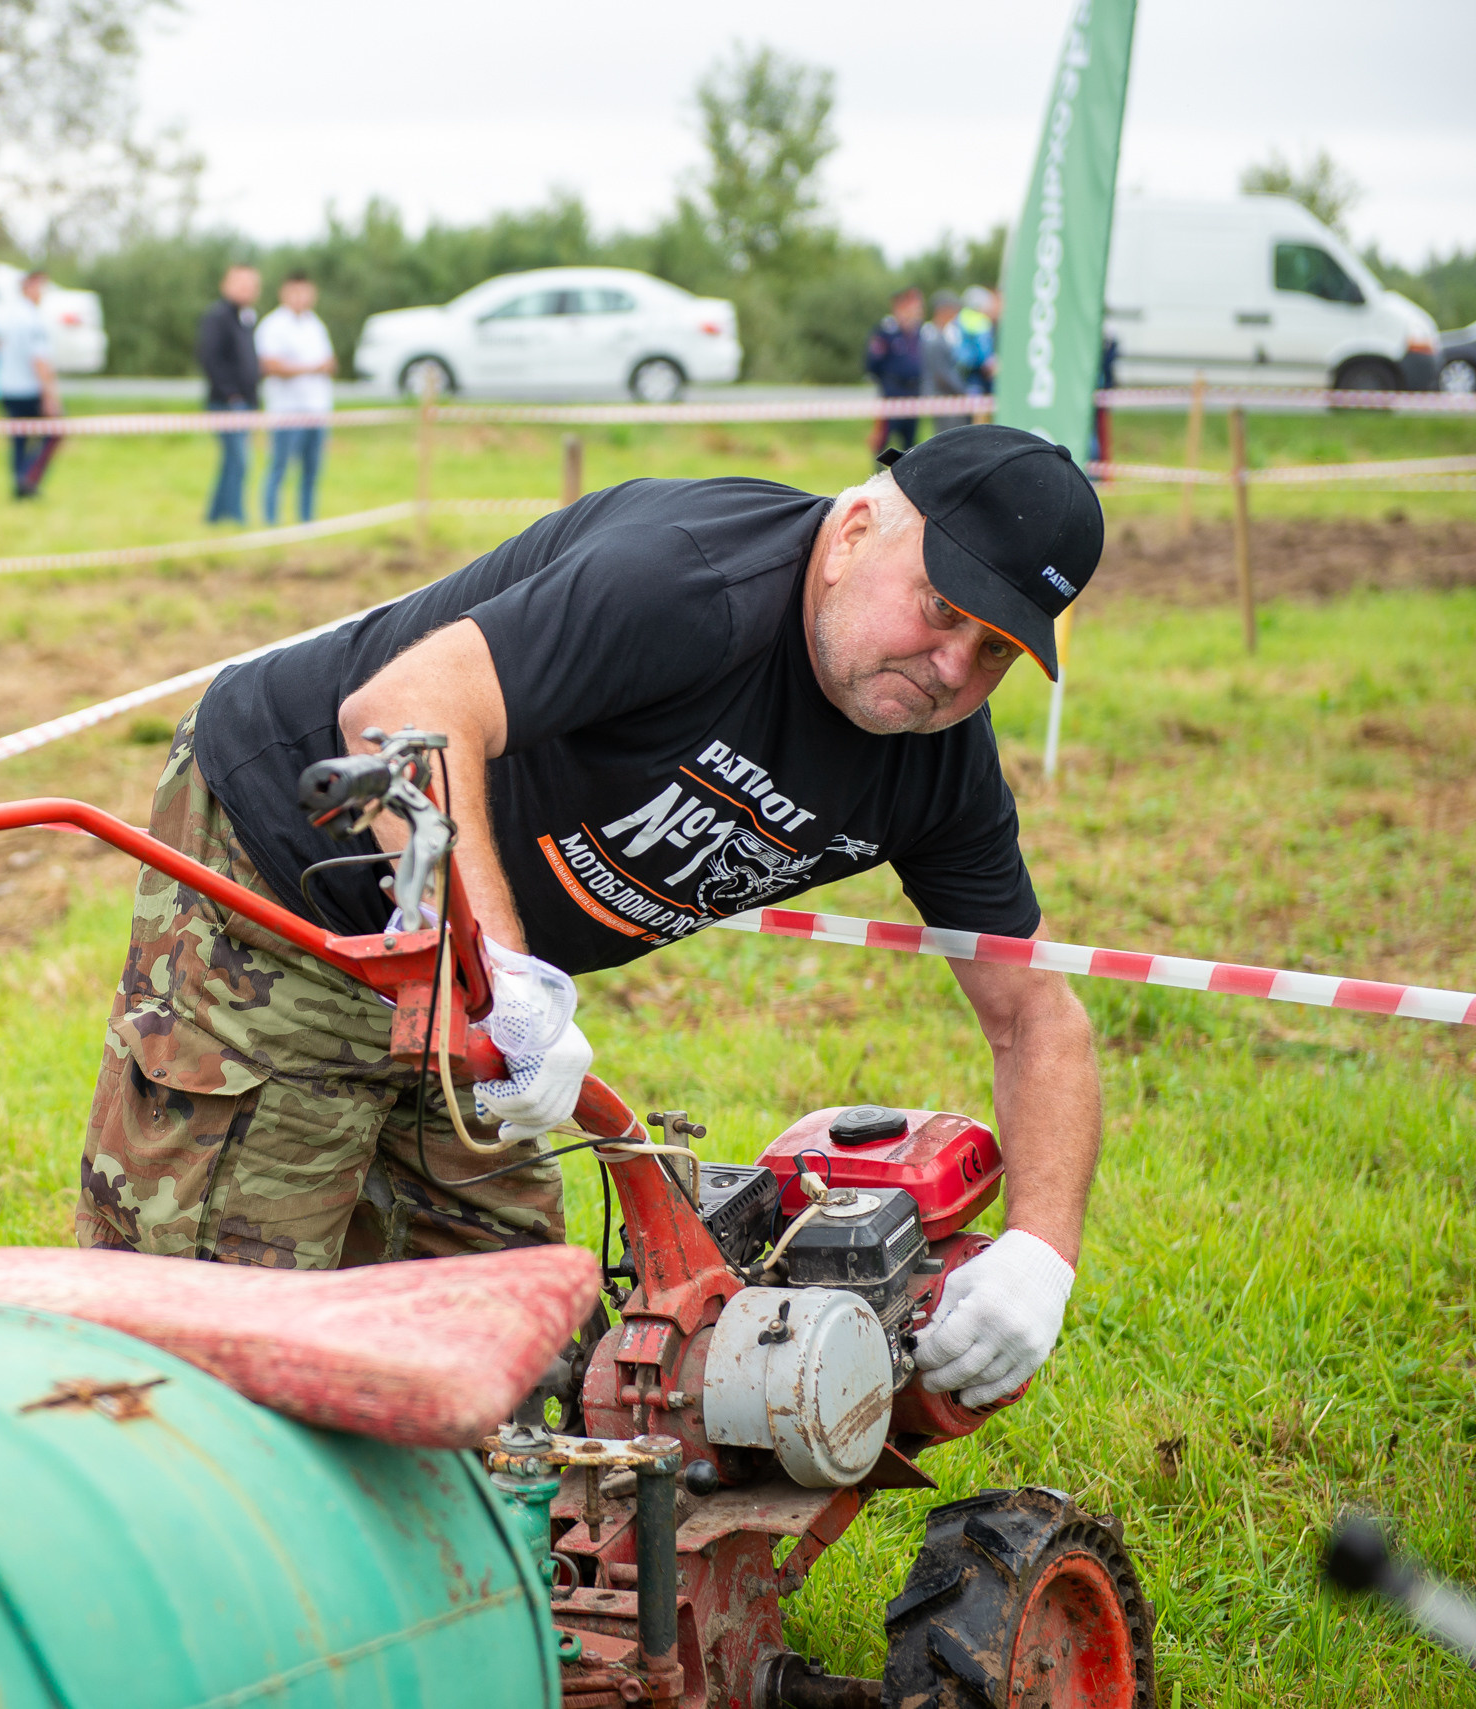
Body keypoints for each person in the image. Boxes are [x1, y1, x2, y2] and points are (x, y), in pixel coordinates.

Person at [78, 423, 1107, 1413]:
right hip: (291, 868)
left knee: (522, 1351)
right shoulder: (691, 583)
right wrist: (512, 985)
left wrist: (1040, 1255)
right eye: (940, 608)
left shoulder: (938, 767)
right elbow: (396, 718)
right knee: (224, 1337)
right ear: (852, 536)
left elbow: (1034, 1017)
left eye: (994, 650)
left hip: (473, 964)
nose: (951, 667)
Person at [256, 269, 338, 523]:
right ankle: (271, 522)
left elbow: (329, 363)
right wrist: (311, 368)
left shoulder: (316, 324)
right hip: (286, 410)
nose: (301, 297)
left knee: (312, 471)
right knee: (279, 468)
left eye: (305, 292)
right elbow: (270, 365)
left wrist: (319, 367)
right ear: (284, 293)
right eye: (295, 292)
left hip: (317, 410)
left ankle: (307, 522)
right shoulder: (273, 325)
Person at [196, 265, 263, 524]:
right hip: (227, 403)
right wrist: (231, 393)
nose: (247, 289)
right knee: (238, 460)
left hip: (245, 402)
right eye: (241, 283)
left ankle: (215, 516)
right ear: (226, 285)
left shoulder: (245, 317)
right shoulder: (217, 316)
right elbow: (209, 358)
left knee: (232, 462)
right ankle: (235, 517)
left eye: (251, 285)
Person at [0, 268, 62, 499]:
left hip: (7, 387)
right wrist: (50, 395)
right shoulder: (32, 319)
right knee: (55, 431)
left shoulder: (9, 315)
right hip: (28, 389)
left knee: (19, 439)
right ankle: (27, 480)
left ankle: (19, 483)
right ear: (29, 287)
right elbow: (39, 360)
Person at [864, 285, 925, 463]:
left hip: (913, 391)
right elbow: (873, 362)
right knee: (883, 437)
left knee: (910, 441)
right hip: (892, 390)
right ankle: (877, 472)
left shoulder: (919, 333)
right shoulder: (886, 331)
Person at [920, 289, 968, 405]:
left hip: (949, 395)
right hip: (941, 397)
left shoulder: (949, 332)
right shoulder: (931, 335)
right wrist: (962, 389)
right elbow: (941, 373)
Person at [956, 286, 999, 395]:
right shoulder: (980, 321)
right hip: (978, 369)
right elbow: (983, 346)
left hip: (964, 368)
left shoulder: (961, 317)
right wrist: (990, 362)